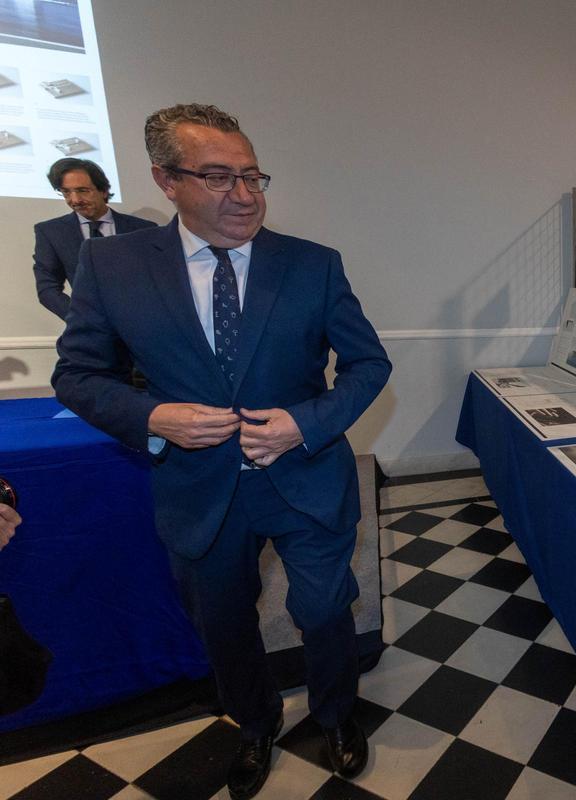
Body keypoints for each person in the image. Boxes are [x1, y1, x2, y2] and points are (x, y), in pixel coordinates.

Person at [52, 104, 391, 800]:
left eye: (253, 176)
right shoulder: (111, 264)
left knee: (326, 608)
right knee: (225, 623)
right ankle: (255, 724)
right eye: (218, 177)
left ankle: (334, 715)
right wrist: (155, 415)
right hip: (198, 489)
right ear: (166, 180)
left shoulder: (312, 264)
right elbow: (78, 375)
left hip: (306, 479)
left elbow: (368, 366)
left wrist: (304, 422)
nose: (245, 195)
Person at [33, 158, 157, 320]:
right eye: (66, 192)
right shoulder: (51, 232)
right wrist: (81, 318)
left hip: (143, 327)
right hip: (90, 334)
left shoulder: (143, 229)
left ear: (103, 190)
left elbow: (159, 281)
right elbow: (47, 288)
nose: (75, 200)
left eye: (83, 190)